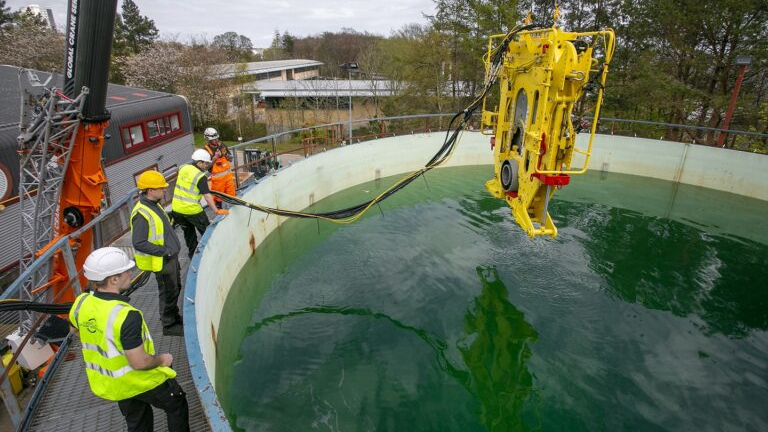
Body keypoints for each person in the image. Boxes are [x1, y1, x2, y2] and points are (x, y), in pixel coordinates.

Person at [70, 247, 190, 432]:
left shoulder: (81, 303)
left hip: (115, 384)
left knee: (137, 421)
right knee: (176, 404)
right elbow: (140, 362)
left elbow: (75, 330)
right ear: (113, 279)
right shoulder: (126, 315)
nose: (130, 272)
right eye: (126, 270)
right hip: (140, 380)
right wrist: (163, 359)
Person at [131, 170, 184, 335]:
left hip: (169, 258)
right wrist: (165, 251)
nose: (164, 190)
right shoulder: (141, 213)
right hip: (162, 261)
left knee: (175, 288)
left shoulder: (154, 205)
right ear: (150, 190)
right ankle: (169, 326)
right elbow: (139, 242)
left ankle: (174, 317)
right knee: (168, 292)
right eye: (161, 188)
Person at [171, 149, 228, 257]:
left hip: (177, 210)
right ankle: (214, 255)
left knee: (189, 235)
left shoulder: (183, 168)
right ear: (199, 162)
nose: (207, 166)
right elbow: (207, 196)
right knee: (208, 232)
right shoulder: (200, 177)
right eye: (205, 163)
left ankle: (193, 256)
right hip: (193, 211)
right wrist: (216, 210)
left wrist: (214, 158)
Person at [203, 127, 236, 209]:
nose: (216, 140)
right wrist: (215, 157)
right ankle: (219, 215)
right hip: (218, 181)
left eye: (217, 138)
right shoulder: (206, 151)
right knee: (218, 201)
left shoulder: (222, 146)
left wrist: (225, 154)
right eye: (214, 139)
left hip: (228, 178)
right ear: (209, 140)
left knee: (232, 198)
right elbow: (206, 167)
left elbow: (231, 159)